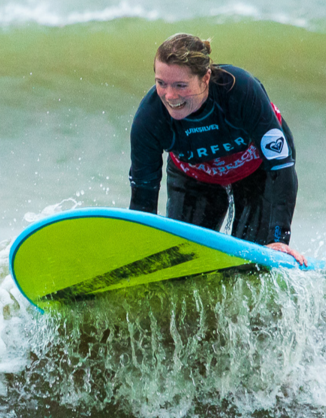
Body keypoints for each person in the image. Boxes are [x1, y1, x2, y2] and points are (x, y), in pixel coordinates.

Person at [128, 33, 307, 266]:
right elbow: (143, 195)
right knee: (184, 263)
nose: (169, 96)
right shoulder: (149, 118)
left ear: (205, 78)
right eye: (161, 83)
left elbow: (280, 166)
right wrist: (137, 253)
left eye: (180, 85)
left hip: (256, 172)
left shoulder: (240, 90)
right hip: (194, 178)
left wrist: (279, 239)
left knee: (249, 264)